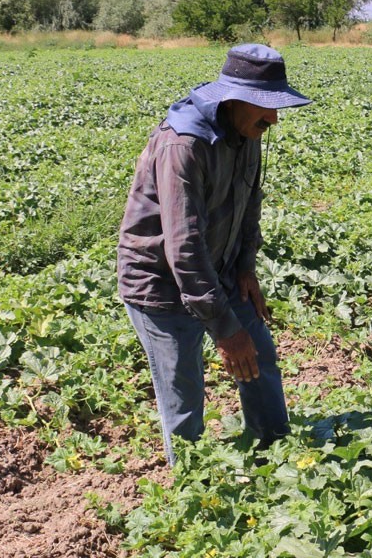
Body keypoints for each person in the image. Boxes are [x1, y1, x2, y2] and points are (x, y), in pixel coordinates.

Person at [117, 44, 311, 464]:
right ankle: (191, 490)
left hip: (219, 270)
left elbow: (249, 202)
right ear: (232, 98)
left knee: (258, 354)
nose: (274, 118)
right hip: (160, 285)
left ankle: (275, 453)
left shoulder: (246, 131)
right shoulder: (183, 146)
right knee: (184, 397)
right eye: (266, 107)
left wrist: (245, 268)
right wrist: (225, 329)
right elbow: (183, 248)